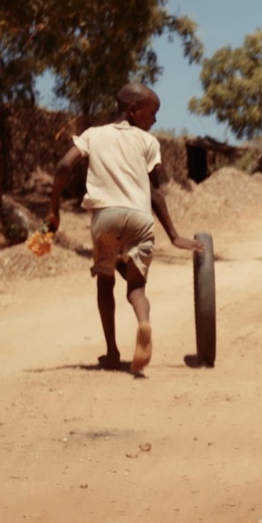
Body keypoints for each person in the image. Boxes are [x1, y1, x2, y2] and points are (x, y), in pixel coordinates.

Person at [47, 82, 203, 377]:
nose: (155, 120)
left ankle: (112, 351)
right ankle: (143, 323)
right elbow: (155, 194)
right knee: (136, 288)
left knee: (106, 283)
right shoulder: (147, 142)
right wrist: (173, 235)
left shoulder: (92, 135)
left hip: (105, 217)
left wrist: (53, 210)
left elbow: (62, 167)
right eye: (152, 113)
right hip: (140, 219)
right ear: (132, 110)